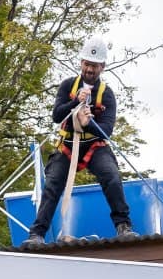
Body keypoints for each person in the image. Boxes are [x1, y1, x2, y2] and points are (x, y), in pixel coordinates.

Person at [24, 35, 137, 247]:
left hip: (94, 145)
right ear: (81, 63)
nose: (90, 69)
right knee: (53, 183)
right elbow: (57, 115)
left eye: (94, 66)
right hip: (68, 144)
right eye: (87, 64)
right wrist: (75, 102)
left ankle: (123, 226)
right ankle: (37, 233)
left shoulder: (106, 94)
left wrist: (89, 123)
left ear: (102, 67)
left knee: (111, 176)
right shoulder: (68, 86)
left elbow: (106, 131)